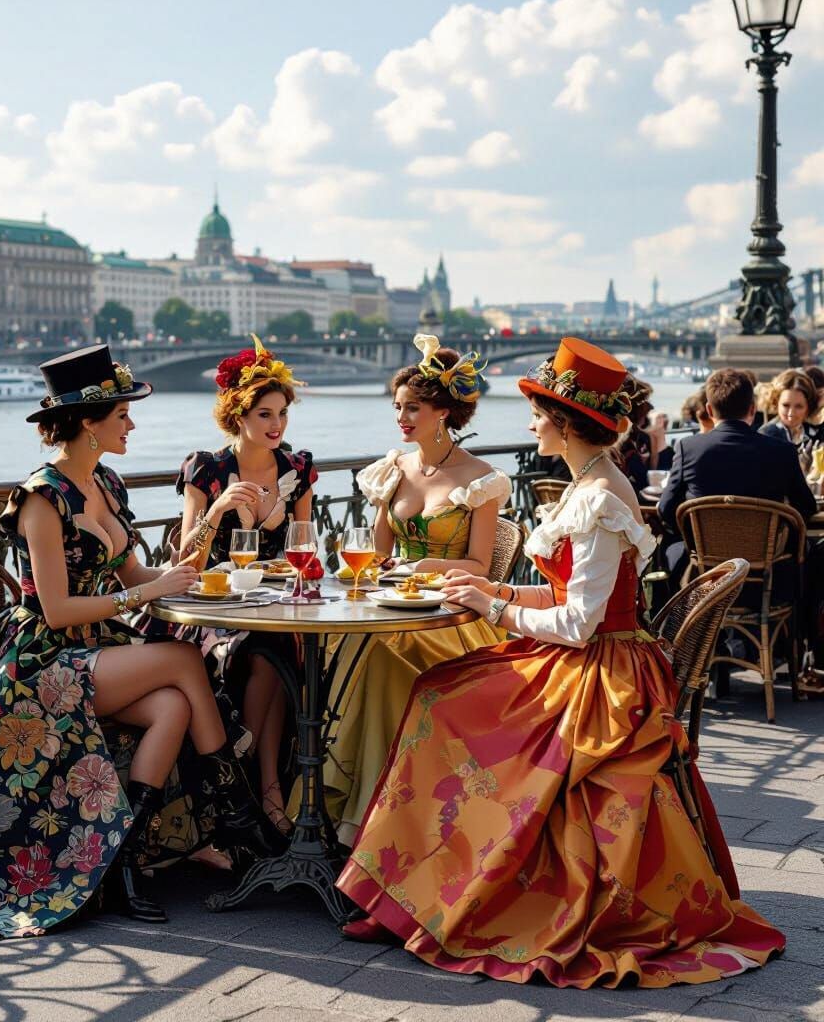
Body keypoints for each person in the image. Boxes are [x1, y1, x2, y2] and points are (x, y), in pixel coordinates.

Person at [337, 337, 785, 988]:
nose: (530, 425)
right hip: (598, 654)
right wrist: (494, 590)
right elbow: (572, 597)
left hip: (603, 674)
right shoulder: (593, 486)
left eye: (538, 414)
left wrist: (493, 612)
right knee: (442, 689)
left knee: (445, 701)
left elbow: (578, 624)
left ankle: (442, 894)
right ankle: (421, 889)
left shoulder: (600, 500)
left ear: (566, 424)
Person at [0, 345, 280, 938]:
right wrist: (144, 594)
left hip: (96, 649)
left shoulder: (106, 483)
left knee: (173, 703)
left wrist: (211, 516)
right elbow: (57, 610)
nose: (132, 425)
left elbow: (140, 577)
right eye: (123, 416)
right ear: (90, 423)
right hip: (37, 663)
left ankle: (126, 863)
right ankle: (238, 815)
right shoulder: (42, 497)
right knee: (186, 658)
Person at [319, 334, 510, 846]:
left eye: (413, 408)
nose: (402, 418)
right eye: (398, 407)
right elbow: (377, 554)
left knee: (379, 657)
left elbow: (479, 564)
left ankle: (373, 819)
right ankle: (331, 801)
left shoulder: (482, 478)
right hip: (394, 605)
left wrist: (417, 565)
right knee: (343, 644)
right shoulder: (394, 470)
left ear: (443, 412)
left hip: (452, 615)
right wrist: (378, 568)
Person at [172, 335, 317, 835]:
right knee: (264, 650)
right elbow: (183, 557)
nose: (276, 426)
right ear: (239, 416)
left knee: (277, 646)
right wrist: (215, 511)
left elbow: (305, 548)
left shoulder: (296, 471)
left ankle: (259, 787)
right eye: (264, 415)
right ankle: (263, 791)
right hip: (212, 608)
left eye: (281, 414)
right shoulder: (207, 470)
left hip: (274, 604)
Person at [658, 367, 816, 590]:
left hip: (707, 576)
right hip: (766, 579)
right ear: (752, 410)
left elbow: (666, 510)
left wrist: (697, 541)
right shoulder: (783, 452)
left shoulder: (688, 448)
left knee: (667, 549)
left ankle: (674, 620)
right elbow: (806, 508)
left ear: (709, 410)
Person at [759, 368, 824, 469]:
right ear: (776, 403)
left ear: (808, 407)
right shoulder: (766, 435)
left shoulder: (818, 433)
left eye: (799, 406)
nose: (791, 413)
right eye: (786, 405)